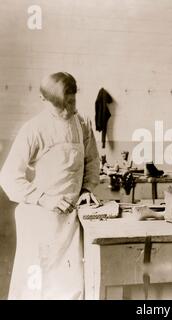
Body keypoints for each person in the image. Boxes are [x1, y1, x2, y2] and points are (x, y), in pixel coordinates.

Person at [0, 72, 100, 300]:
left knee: (69, 286)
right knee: (34, 287)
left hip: (70, 221)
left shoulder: (82, 123)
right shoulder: (34, 129)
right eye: (60, 107)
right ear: (43, 101)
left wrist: (87, 190)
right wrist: (44, 198)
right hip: (39, 219)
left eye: (71, 103)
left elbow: (92, 161)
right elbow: (8, 177)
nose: (67, 111)